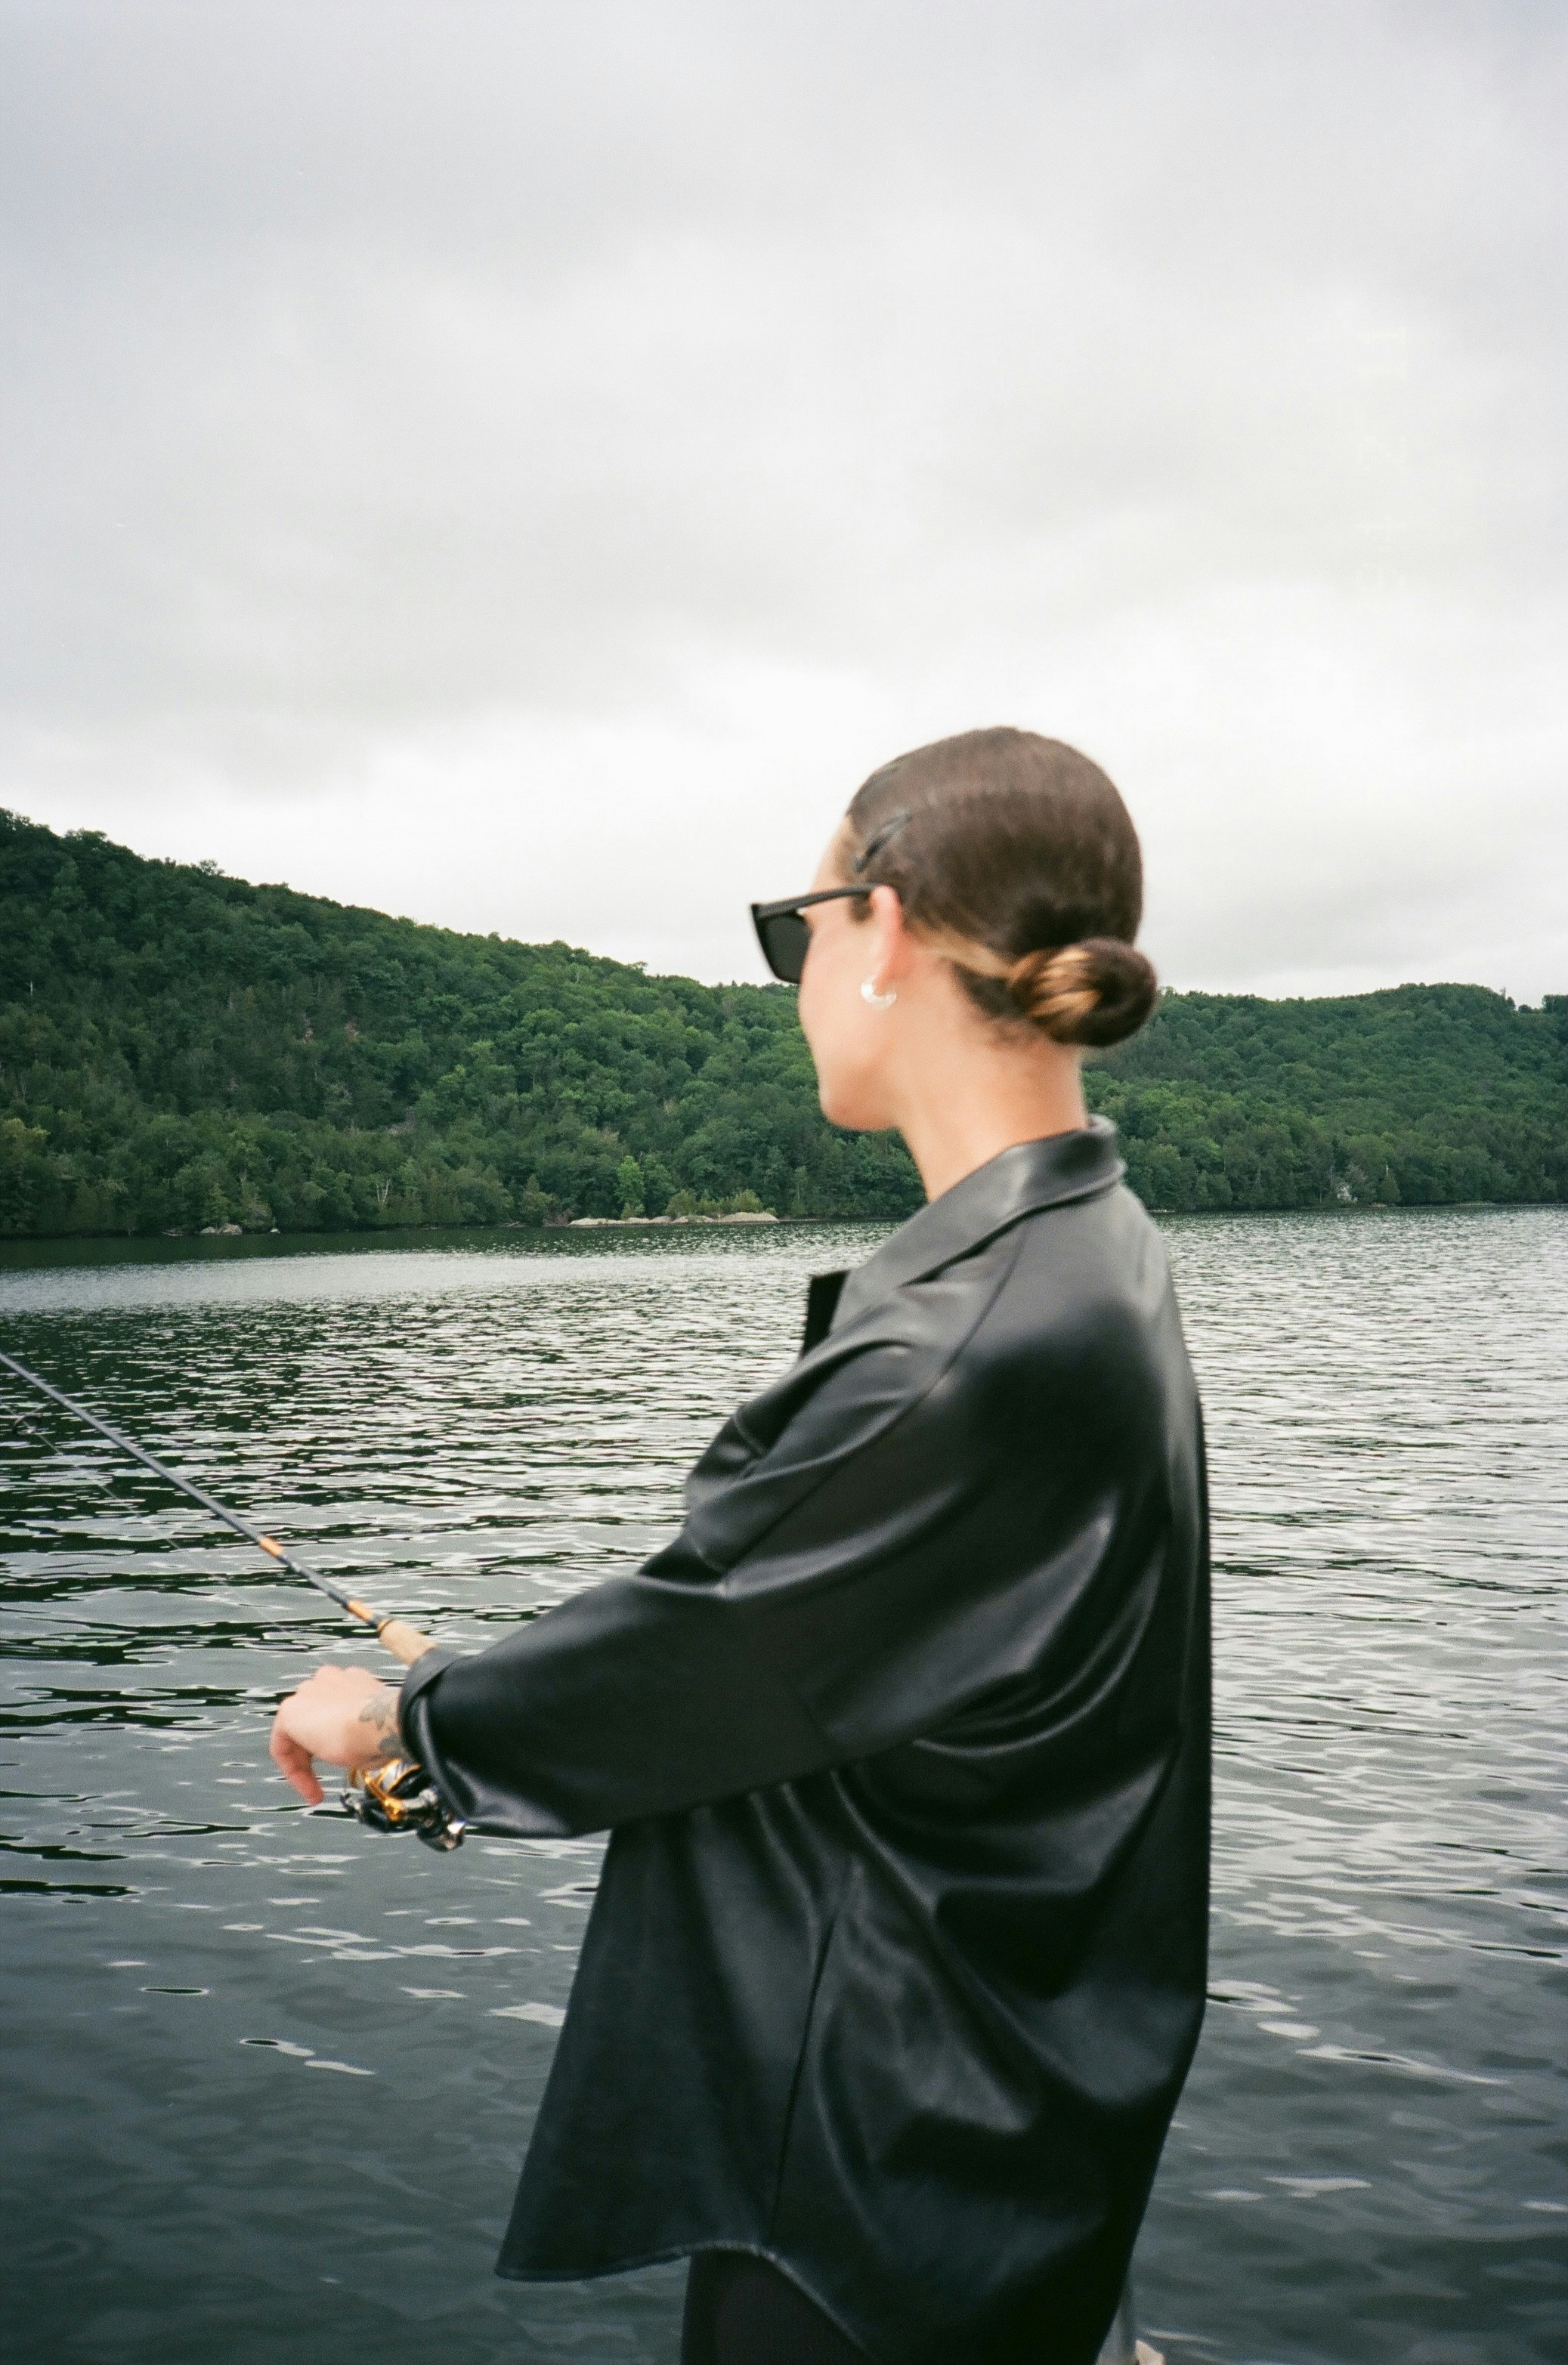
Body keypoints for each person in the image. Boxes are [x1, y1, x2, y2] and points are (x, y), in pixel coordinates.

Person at [271, 727, 1210, 2365]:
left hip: (878, 2173)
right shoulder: (1086, 1249)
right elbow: (788, 1624)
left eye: (800, 926)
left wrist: (394, 1722)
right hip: (1011, 2128)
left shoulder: (970, 1340)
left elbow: (714, 1647)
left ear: (889, 928)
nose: (793, 973)